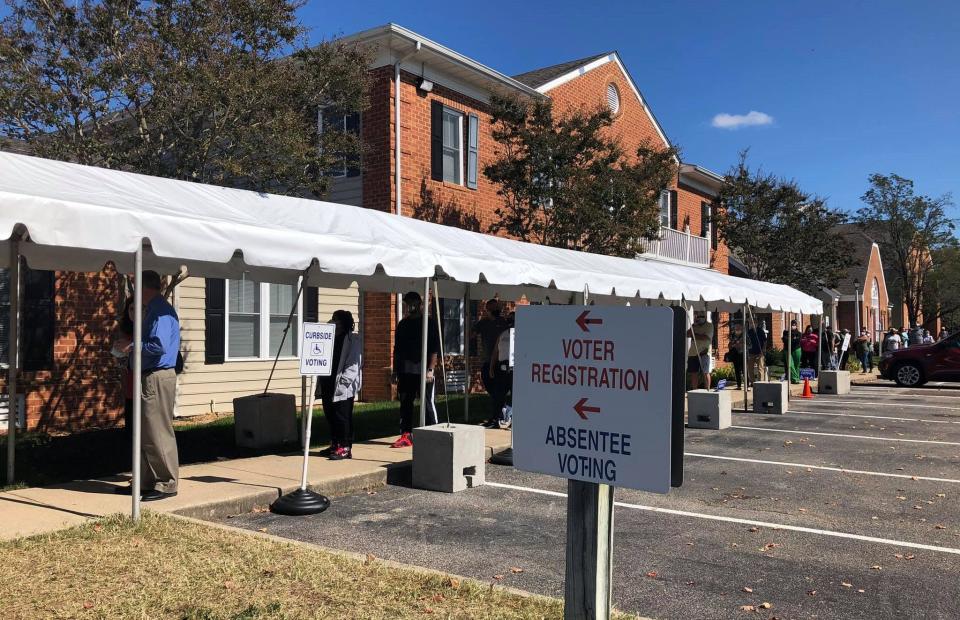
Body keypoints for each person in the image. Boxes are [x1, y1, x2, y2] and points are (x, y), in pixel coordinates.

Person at [115, 271, 180, 501]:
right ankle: (145, 482)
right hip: (148, 376)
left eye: (135, 285)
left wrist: (132, 345)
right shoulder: (152, 310)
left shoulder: (160, 312)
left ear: (145, 287)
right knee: (143, 432)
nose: (133, 290)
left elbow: (159, 345)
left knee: (157, 431)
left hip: (157, 377)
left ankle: (167, 483)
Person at [391, 291, 440, 448]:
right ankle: (406, 434)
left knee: (427, 402)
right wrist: (395, 370)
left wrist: (430, 369)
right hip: (405, 370)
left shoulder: (429, 323)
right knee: (405, 403)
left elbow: (434, 348)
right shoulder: (402, 324)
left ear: (420, 304)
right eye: (407, 303)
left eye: (413, 303)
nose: (410, 306)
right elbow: (397, 349)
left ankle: (434, 432)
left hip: (423, 370)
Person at [316, 310, 361, 460]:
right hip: (327, 382)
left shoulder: (352, 339)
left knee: (342, 416)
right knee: (330, 415)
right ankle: (335, 444)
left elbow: (354, 365)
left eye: (335, 319)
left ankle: (345, 447)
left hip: (342, 386)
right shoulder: (329, 338)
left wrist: (343, 384)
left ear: (344, 322)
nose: (332, 321)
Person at [473, 299, 509, 428]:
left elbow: (500, 346)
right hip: (488, 360)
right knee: (491, 387)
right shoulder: (484, 323)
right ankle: (503, 408)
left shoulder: (503, 324)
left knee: (499, 390)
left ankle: (500, 413)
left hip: (500, 361)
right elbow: (471, 335)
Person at [489, 312, 515, 429]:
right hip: (501, 368)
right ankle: (498, 418)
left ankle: (514, 419)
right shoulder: (503, 334)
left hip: (514, 369)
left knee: (515, 396)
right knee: (498, 395)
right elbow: (495, 352)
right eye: (509, 320)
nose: (510, 323)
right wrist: (491, 367)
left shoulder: (522, 334)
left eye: (512, 320)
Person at [687, 312, 714, 390]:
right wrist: (693, 327)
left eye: (701, 317)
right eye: (697, 317)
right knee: (693, 373)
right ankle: (694, 390)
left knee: (705, 372)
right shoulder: (694, 326)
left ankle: (707, 390)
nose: (699, 319)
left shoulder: (709, 325)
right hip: (692, 353)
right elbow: (687, 334)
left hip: (704, 352)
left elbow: (705, 337)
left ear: (705, 317)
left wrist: (694, 335)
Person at [728, 322, 745, 389]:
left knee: (744, 370)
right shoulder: (732, 335)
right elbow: (729, 345)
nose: (736, 330)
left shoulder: (744, 335)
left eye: (738, 328)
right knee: (737, 370)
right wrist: (731, 345)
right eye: (735, 328)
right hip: (735, 355)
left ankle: (747, 385)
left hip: (743, 354)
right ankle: (739, 385)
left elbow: (749, 345)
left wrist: (741, 345)